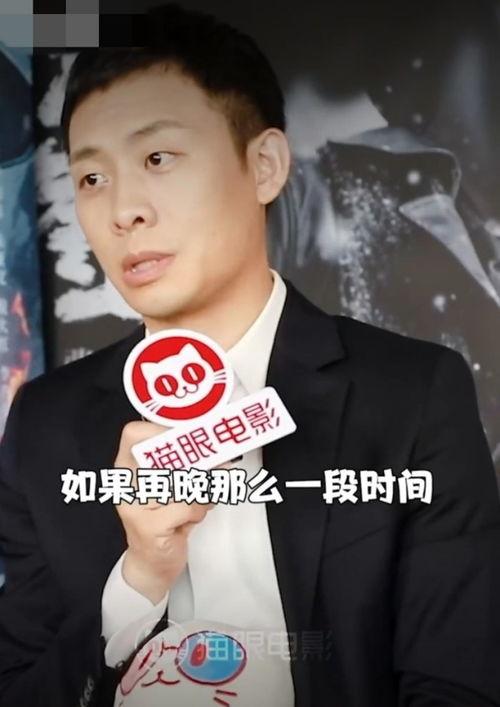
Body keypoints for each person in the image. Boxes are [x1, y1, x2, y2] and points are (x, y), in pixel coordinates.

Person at [0, 4, 499, 706]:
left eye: (157, 158)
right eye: (91, 178)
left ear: (264, 166)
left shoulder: (412, 395)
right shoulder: (44, 424)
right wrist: (138, 581)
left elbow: (456, 682)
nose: (123, 211)